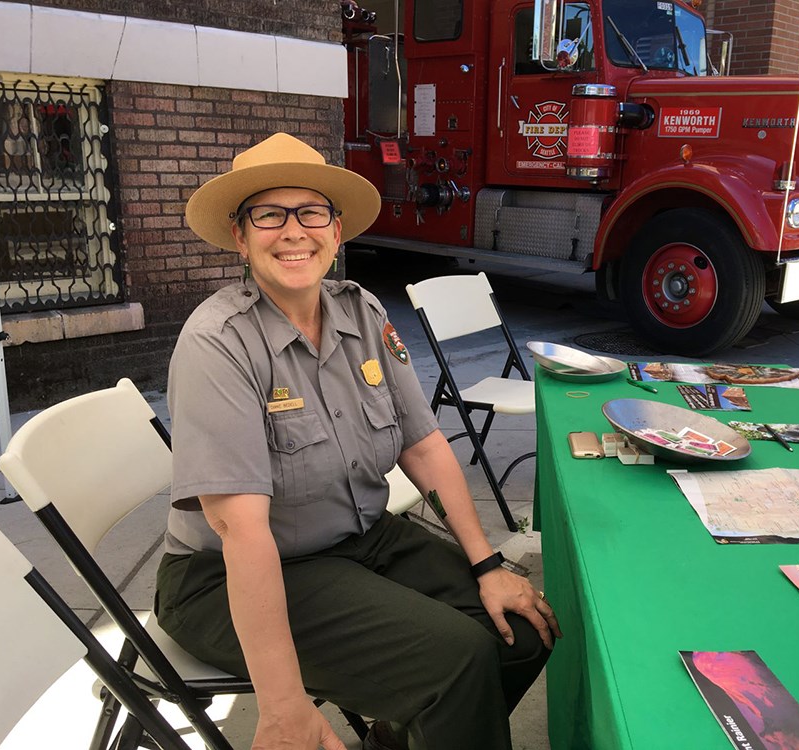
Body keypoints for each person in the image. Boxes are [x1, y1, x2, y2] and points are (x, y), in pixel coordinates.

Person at [155, 133, 560, 750]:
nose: (293, 232)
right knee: (456, 661)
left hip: (361, 541)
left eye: (311, 212)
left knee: (524, 629)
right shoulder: (219, 341)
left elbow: (423, 444)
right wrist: (284, 706)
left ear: (335, 230)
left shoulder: (361, 311)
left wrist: (488, 564)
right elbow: (242, 532)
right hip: (227, 577)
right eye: (269, 214)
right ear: (241, 236)